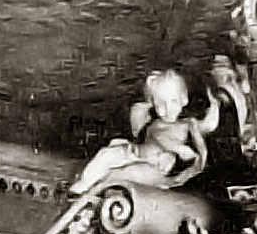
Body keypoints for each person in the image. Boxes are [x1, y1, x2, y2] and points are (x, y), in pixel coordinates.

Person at [69, 69, 219, 195]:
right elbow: (155, 135)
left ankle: (98, 190)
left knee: (125, 174)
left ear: (183, 99)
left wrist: (214, 102)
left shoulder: (188, 124)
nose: (167, 110)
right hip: (134, 153)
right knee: (107, 154)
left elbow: (208, 126)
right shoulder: (155, 123)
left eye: (173, 101)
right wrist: (178, 148)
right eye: (160, 104)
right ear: (153, 104)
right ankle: (84, 184)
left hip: (153, 166)